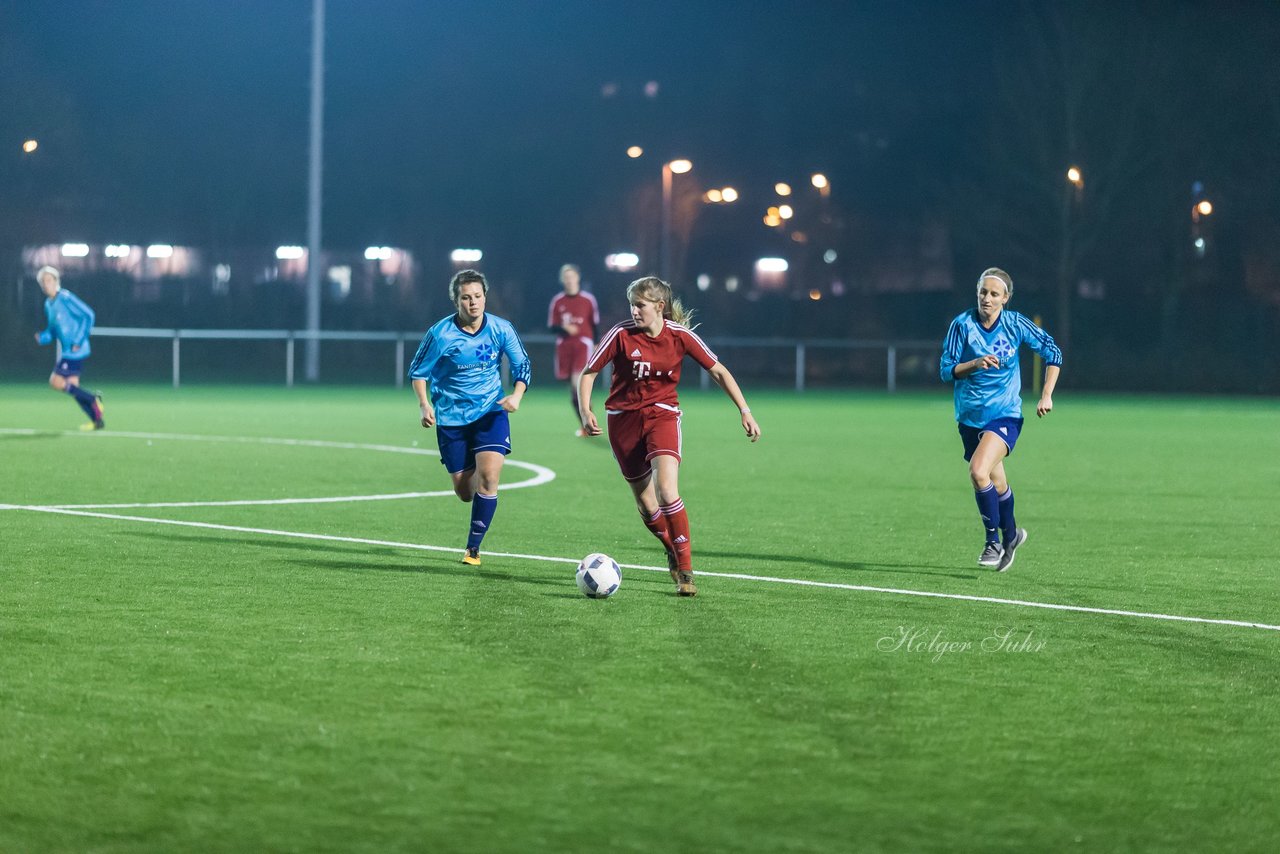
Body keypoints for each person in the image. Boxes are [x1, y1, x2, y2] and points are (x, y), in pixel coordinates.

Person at [578, 276, 761, 597]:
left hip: (662, 415)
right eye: (632, 304)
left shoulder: (680, 336)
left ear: (659, 306)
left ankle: (686, 570)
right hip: (622, 421)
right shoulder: (620, 334)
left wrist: (744, 409)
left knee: (666, 490)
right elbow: (589, 372)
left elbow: (718, 370)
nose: (634, 311)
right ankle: (671, 547)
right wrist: (585, 409)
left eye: (640, 305)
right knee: (647, 505)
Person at [939, 267, 1062, 572]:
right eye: (983, 292)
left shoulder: (1015, 324)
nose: (987, 298)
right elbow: (946, 369)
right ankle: (1012, 535)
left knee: (978, 471)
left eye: (995, 294)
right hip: (969, 418)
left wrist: (1046, 394)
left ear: (1005, 298)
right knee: (996, 481)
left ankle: (992, 542)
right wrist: (975, 364)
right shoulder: (962, 325)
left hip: (1004, 414)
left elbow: (1053, 352)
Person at [409, 269, 532, 566]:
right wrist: (425, 405)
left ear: (485, 297)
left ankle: (473, 549)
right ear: (456, 301)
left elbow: (522, 364)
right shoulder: (440, 334)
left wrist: (516, 396)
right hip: (451, 418)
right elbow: (418, 372)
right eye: (466, 298)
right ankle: (477, 480)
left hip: (491, 410)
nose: (473, 303)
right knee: (465, 491)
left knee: (490, 477)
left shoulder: (501, 329)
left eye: (477, 296)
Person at [33, 265, 105, 430]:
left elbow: (89, 315)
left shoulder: (65, 298)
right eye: (43, 282)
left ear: (56, 281)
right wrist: (44, 337)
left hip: (75, 350)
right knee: (73, 387)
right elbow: (53, 330)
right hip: (68, 350)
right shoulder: (48, 304)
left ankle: (93, 399)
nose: (46, 284)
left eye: (49, 280)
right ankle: (97, 420)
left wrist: (78, 340)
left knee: (55, 382)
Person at [546, 263, 599, 435]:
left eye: (572, 276)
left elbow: (595, 323)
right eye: (566, 277)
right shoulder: (558, 301)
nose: (569, 280)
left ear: (578, 277)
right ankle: (585, 423)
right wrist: (565, 328)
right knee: (573, 391)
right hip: (565, 347)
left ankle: (589, 419)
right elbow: (552, 326)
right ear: (562, 280)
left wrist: (597, 342)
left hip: (583, 345)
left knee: (578, 383)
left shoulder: (588, 300)